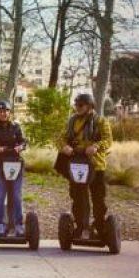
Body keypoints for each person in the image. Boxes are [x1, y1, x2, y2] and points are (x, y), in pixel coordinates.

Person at [56, 93, 113, 240]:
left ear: (89, 106)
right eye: (76, 105)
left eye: (80, 105)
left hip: (96, 165)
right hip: (77, 165)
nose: (77, 108)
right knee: (78, 197)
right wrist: (64, 147)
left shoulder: (101, 121)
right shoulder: (72, 121)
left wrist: (96, 146)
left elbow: (108, 140)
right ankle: (81, 227)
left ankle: (100, 227)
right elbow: (60, 139)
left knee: (98, 199)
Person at [0, 100, 27, 237]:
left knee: (16, 195)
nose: (3, 113)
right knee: (1, 194)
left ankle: (19, 224)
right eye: (0, 111)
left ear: (10, 112)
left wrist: (20, 146)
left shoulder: (16, 127)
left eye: (5, 111)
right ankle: (1, 224)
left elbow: (23, 141)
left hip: (15, 163)